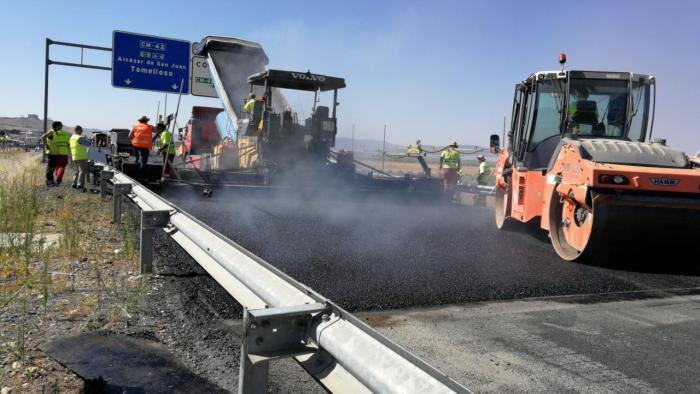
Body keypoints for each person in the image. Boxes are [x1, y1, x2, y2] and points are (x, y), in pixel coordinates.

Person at [41, 121, 70, 186]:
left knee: (52, 167)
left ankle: (50, 181)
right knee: (50, 167)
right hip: (51, 152)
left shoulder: (56, 133)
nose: (61, 127)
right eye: (61, 126)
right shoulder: (52, 132)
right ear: (57, 126)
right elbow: (43, 137)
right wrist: (46, 145)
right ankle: (49, 181)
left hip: (55, 153)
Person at [69, 126, 92, 191]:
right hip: (81, 157)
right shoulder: (79, 137)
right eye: (81, 130)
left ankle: (74, 184)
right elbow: (88, 144)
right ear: (77, 130)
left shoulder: (72, 138)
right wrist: (90, 139)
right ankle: (80, 185)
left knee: (77, 171)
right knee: (82, 171)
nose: (81, 132)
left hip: (74, 157)